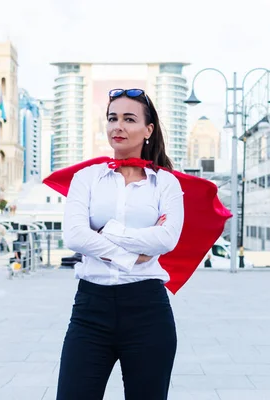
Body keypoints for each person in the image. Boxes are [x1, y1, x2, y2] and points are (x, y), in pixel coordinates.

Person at [55, 89, 184, 400]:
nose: (118, 126)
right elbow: (73, 235)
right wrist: (129, 255)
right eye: (113, 118)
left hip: (148, 310)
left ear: (148, 130)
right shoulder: (86, 178)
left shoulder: (166, 183)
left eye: (129, 119)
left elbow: (166, 239)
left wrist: (106, 232)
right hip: (90, 309)